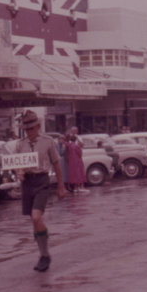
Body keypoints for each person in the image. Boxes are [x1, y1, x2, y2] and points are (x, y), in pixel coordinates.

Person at [15, 110, 66, 272]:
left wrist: (61, 186)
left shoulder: (48, 141)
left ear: (38, 127)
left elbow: (57, 164)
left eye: (31, 128)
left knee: (37, 217)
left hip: (42, 181)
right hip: (27, 182)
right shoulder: (20, 144)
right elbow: (17, 165)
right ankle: (43, 254)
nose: (28, 132)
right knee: (34, 220)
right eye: (26, 129)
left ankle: (45, 255)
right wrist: (19, 172)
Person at [64, 127, 87, 193]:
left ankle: (81, 186)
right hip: (72, 157)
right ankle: (75, 187)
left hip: (77, 156)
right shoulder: (69, 138)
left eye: (75, 130)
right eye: (72, 130)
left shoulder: (78, 137)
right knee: (74, 172)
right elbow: (66, 145)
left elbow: (81, 145)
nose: (73, 131)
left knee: (79, 171)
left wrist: (77, 138)